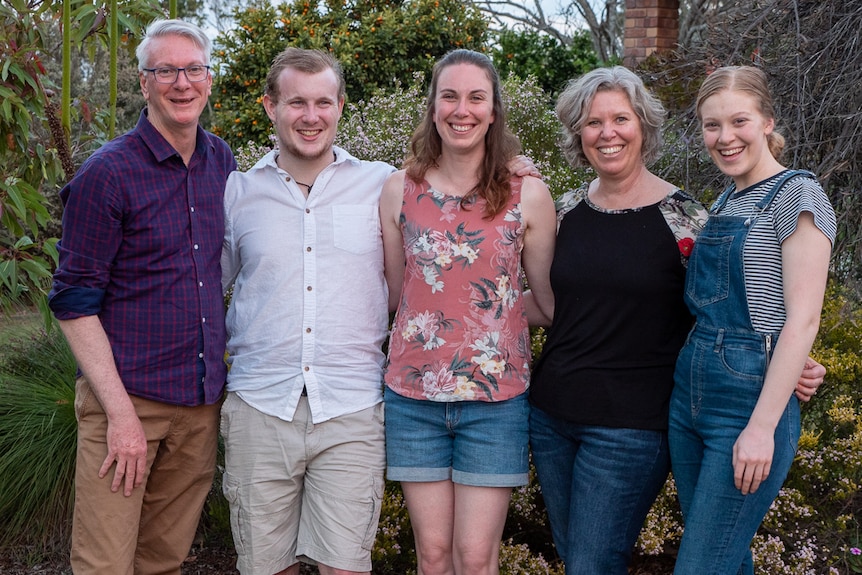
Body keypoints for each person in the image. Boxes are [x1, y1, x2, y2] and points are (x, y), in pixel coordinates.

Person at [526, 66, 827, 575]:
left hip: (640, 420)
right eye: (593, 122)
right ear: (578, 133)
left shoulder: (690, 216)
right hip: (568, 410)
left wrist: (785, 358)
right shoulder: (567, 210)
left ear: (643, 127)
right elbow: (556, 304)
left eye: (621, 118)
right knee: (588, 556)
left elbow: (769, 308)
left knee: (623, 562)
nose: (607, 132)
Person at [48, 19, 236, 574]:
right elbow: (74, 302)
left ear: (208, 78)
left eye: (193, 69)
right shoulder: (107, 174)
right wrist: (121, 415)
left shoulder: (220, 160)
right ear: (145, 80)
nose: (182, 82)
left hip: (199, 405)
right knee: (104, 564)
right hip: (127, 406)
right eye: (166, 70)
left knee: (164, 561)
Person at [379, 49, 557, 575]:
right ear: (432, 108)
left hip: (495, 401)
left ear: (494, 108)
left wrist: (489, 314)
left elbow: (546, 302)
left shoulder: (530, 194)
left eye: (476, 97)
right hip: (414, 397)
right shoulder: (399, 189)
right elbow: (398, 296)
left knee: (475, 558)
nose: (463, 109)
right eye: (449, 96)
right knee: (433, 555)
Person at [668, 66, 835, 575]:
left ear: (766, 121)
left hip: (747, 405)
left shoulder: (798, 197)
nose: (724, 138)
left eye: (738, 121)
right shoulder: (724, 201)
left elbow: (802, 321)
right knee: (725, 556)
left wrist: (762, 427)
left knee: (700, 565)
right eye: (711, 125)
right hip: (689, 396)